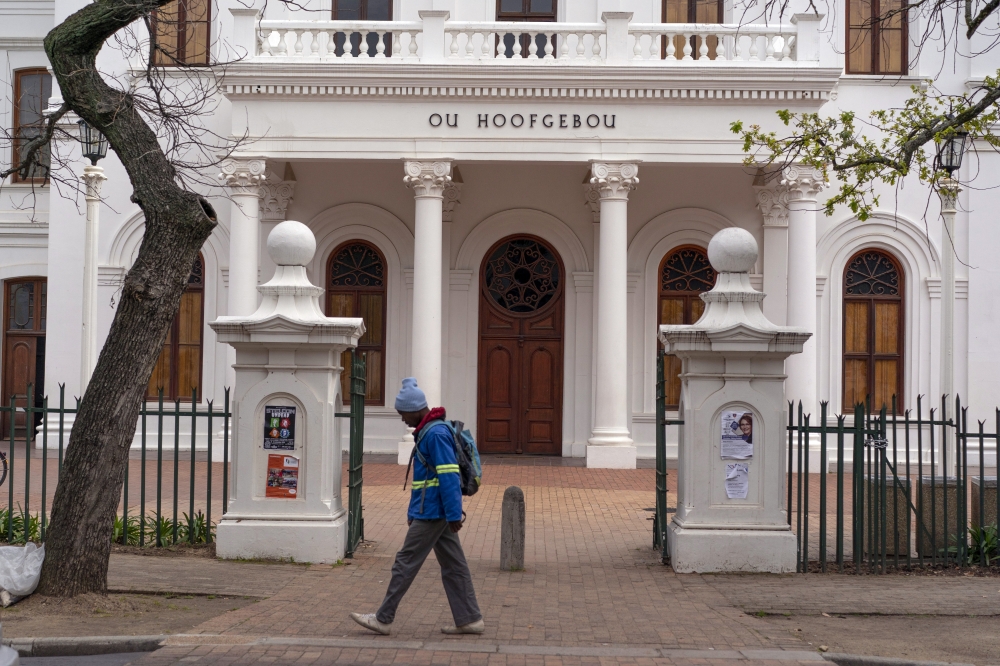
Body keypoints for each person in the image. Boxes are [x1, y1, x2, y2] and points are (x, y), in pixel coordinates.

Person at [350, 377, 484, 636]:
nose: (402, 419)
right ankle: (470, 619)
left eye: (403, 413)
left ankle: (383, 618)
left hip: (433, 512)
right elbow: (424, 481)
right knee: (454, 565)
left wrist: (454, 514)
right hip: (434, 511)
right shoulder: (430, 432)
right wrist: (416, 512)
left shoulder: (435, 434)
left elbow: (448, 476)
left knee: (405, 562)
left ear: (415, 409)